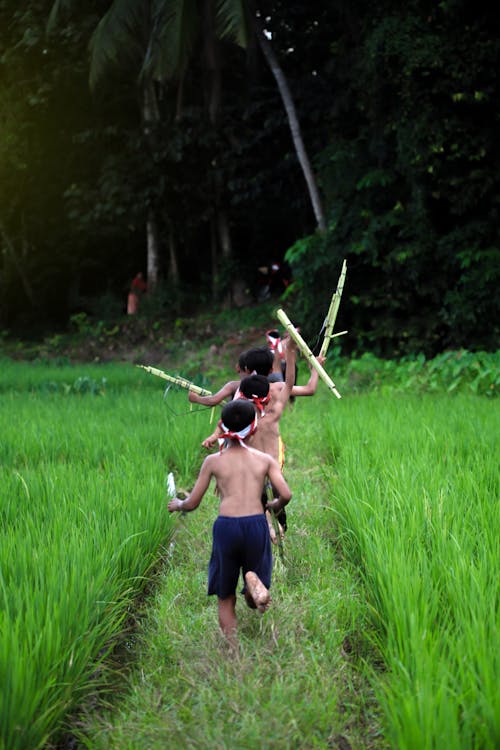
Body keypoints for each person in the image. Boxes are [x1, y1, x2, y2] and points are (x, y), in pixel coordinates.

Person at [167, 399, 291, 646]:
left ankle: (232, 652)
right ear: (253, 428)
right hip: (255, 524)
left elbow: (192, 503)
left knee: (225, 596)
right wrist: (274, 506)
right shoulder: (264, 459)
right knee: (252, 582)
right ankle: (252, 581)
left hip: (227, 527)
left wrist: (178, 505)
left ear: (222, 427)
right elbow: (285, 494)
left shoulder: (213, 461)